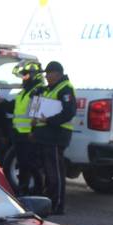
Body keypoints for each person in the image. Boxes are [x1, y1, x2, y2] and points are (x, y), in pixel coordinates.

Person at [32, 61, 78, 215]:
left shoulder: (65, 88)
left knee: (55, 172)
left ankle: (57, 205)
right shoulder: (50, 89)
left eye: (48, 73)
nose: (46, 77)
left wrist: (49, 120)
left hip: (57, 134)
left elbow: (69, 112)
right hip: (47, 134)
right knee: (48, 171)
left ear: (56, 74)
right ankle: (49, 202)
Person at [5, 60, 45, 195]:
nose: (23, 78)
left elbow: (37, 113)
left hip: (30, 135)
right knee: (23, 164)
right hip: (19, 134)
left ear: (34, 74)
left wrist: (34, 132)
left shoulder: (38, 91)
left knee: (32, 165)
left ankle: (37, 192)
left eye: (25, 74)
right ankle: (23, 190)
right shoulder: (24, 92)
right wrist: (0, 103)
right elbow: (14, 107)